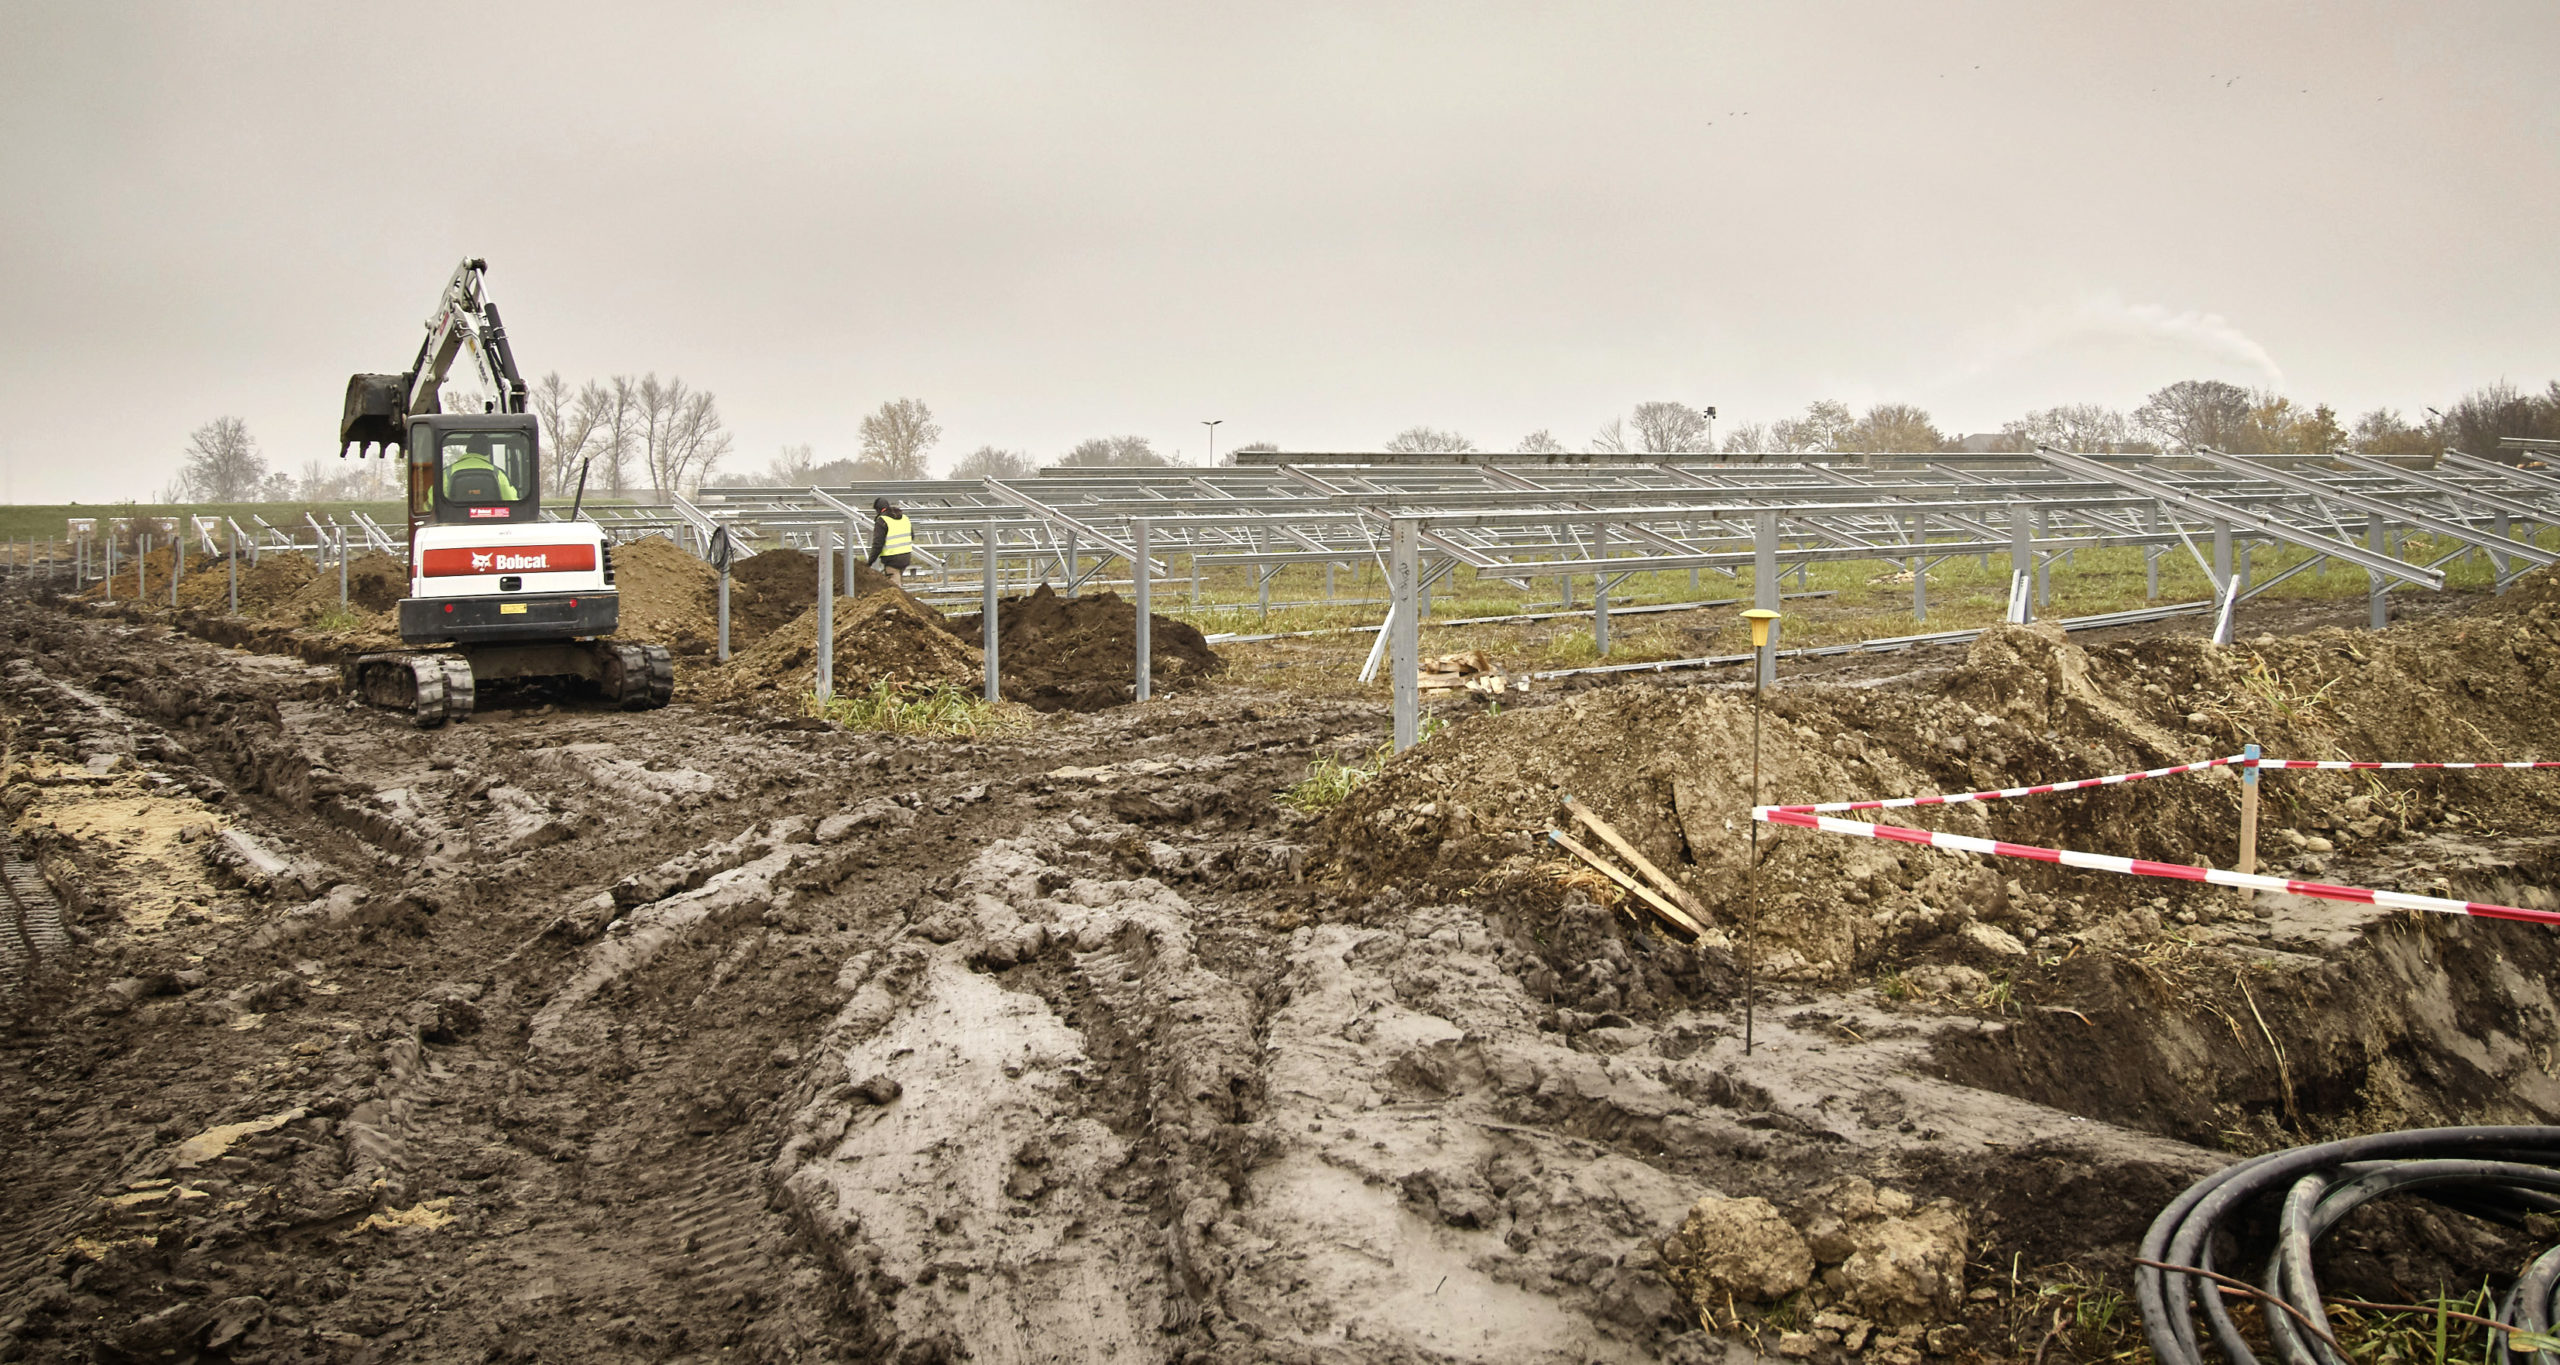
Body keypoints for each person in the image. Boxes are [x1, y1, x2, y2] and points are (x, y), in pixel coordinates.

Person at [443, 440, 520, 501]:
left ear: (468, 449)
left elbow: (433, 501)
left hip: (454, 519)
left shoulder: (447, 473)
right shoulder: (498, 473)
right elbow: (511, 499)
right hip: (492, 519)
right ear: (487, 451)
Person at [866, 497, 914, 580]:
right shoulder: (904, 518)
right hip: (906, 556)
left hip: (892, 559)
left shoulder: (882, 520)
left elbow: (878, 544)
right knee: (897, 580)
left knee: (894, 586)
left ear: (878, 509)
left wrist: (869, 562)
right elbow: (912, 536)